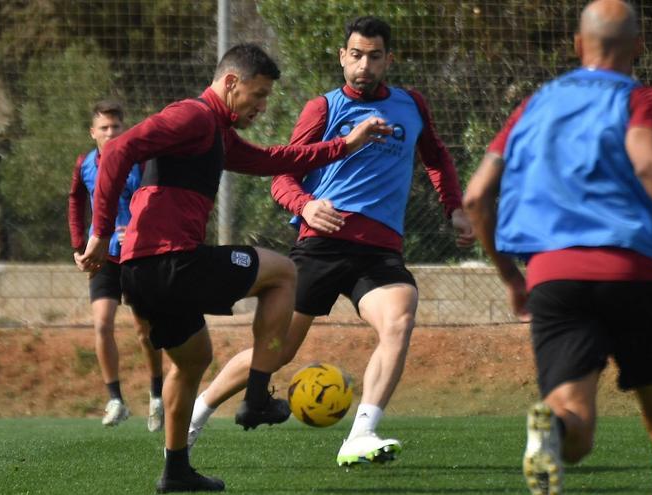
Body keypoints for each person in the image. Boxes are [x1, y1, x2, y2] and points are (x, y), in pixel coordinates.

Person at [462, 1, 652, 494]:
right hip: (630, 272)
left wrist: (512, 279)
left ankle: (552, 431)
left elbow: (476, 196)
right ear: (638, 46)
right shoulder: (644, 99)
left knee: (573, 424)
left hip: (553, 279)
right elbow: (647, 160)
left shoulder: (532, 106)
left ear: (579, 46)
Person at [78, 44, 391, 493]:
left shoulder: (216, 135)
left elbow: (275, 160)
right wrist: (99, 233)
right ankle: (258, 396)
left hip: (142, 274)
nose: (262, 106)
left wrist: (347, 144)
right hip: (171, 261)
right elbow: (116, 152)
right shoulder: (193, 116)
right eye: (258, 95)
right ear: (230, 83)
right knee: (283, 272)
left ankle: (176, 470)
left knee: (193, 361)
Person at [187, 16, 475, 467]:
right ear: (342, 57)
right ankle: (197, 414)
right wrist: (304, 206)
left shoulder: (411, 105)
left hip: (379, 251)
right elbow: (282, 177)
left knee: (399, 319)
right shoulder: (323, 108)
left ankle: (361, 433)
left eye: (374, 56)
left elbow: (437, 157)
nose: (364, 65)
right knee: (277, 352)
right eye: (356, 55)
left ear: (388, 60)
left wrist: (454, 208)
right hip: (321, 245)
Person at [67, 100, 165, 431]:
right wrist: (78, 243)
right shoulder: (85, 164)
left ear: (125, 129)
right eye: (104, 128)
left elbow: (153, 196)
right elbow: (75, 199)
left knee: (144, 331)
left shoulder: (139, 160)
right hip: (103, 256)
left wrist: (138, 225)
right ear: (92, 132)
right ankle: (116, 400)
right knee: (102, 324)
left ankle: (156, 395)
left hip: (137, 253)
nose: (110, 133)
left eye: (116, 127)